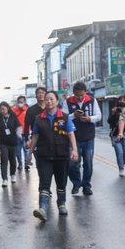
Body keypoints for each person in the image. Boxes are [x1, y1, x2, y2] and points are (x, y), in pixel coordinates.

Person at [27, 91, 78, 219]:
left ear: (56, 101)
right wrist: (29, 154)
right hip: (44, 156)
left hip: (61, 155)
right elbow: (35, 136)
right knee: (44, 182)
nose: (48, 101)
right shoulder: (39, 118)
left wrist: (75, 150)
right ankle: (42, 208)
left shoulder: (65, 117)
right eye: (46, 99)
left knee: (61, 182)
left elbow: (71, 134)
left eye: (51, 99)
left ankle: (61, 204)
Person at [67, 81, 101, 195]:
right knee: (72, 162)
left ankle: (86, 185)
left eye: (82, 95)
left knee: (88, 163)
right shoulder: (68, 102)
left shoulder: (92, 100)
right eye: (77, 95)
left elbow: (98, 116)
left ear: (86, 92)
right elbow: (63, 118)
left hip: (88, 136)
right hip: (73, 138)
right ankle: (76, 183)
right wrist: (73, 116)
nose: (80, 98)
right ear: (73, 93)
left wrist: (90, 119)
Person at [0, 101, 22, 186]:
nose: (2, 111)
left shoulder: (13, 117)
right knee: (4, 159)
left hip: (13, 142)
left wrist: (19, 134)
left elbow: (19, 126)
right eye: (0, 109)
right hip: (3, 142)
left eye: (3, 109)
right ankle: (4, 179)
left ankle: (13, 174)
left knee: (13, 160)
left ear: (8, 109)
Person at [24, 87, 47, 167]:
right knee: (40, 163)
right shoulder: (31, 110)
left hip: (50, 139)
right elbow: (27, 125)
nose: (41, 94)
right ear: (36, 96)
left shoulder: (51, 108)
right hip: (36, 139)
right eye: (39, 93)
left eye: (43, 92)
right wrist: (27, 140)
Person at [108, 95, 125, 176]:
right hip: (115, 134)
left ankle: (122, 164)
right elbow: (110, 122)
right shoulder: (114, 110)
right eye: (120, 100)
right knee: (119, 152)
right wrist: (114, 114)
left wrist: (124, 114)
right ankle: (121, 169)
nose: (122, 102)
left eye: (124, 100)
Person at [13, 95, 29, 170]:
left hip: (26, 133)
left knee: (26, 149)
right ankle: (20, 163)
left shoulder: (28, 110)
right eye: (19, 102)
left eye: (21, 102)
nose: (20, 104)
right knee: (18, 150)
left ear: (25, 102)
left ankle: (26, 163)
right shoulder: (14, 111)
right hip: (17, 134)